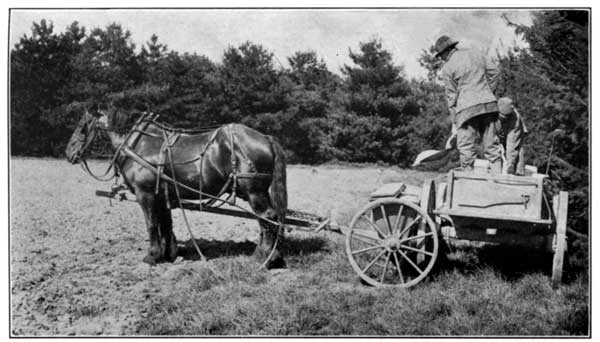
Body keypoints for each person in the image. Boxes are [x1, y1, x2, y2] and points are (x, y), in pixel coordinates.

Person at [435, 35, 503, 172]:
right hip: (488, 105)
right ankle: (498, 180)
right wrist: (488, 91)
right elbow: (495, 72)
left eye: (440, 55)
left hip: (465, 109)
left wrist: (454, 121)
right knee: (492, 146)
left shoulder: (447, 68)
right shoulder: (476, 53)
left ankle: (468, 182)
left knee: (466, 148)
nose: (441, 58)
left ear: (446, 52)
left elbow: (451, 96)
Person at [496, 97, 528, 175]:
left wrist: (510, 165)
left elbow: (512, 144)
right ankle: (495, 171)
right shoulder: (492, 112)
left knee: (517, 149)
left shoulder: (515, 118)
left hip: (514, 134)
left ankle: (518, 173)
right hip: (501, 133)